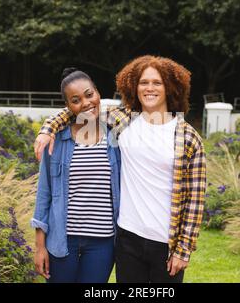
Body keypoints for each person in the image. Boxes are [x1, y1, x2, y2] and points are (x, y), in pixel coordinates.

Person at [34, 55, 206, 283]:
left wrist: (183, 249)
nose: (149, 88)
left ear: (170, 87)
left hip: (166, 242)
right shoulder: (122, 121)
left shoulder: (189, 138)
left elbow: (195, 200)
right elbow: (78, 109)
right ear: (134, 87)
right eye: (144, 82)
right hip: (127, 239)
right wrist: (48, 129)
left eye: (157, 82)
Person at [30, 68, 121, 283]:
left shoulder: (116, 136)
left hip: (103, 244)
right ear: (68, 107)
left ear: (98, 93)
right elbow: (44, 195)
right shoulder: (57, 141)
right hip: (62, 242)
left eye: (89, 95)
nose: (86, 103)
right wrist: (40, 247)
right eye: (76, 100)